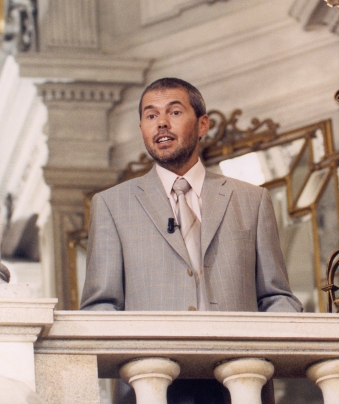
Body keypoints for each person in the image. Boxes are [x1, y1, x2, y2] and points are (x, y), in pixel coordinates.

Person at [80, 77, 303, 403]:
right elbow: (100, 307)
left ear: (202, 124)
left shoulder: (252, 200)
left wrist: (270, 343)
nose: (161, 123)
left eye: (174, 112)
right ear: (142, 128)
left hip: (239, 385)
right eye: (151, 115)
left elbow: (277, 297)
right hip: (150, 386)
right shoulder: (111, 205)